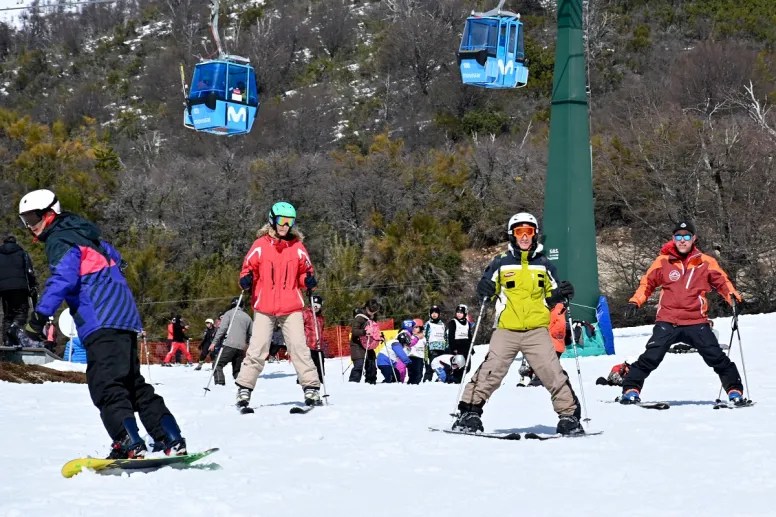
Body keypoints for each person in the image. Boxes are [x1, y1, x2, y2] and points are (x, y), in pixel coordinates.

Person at [18, 188, 186, 458]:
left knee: (105, 383)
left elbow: (62, 279)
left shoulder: (60, 238)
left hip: (100, 318)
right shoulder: (88, 235)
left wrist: (38, 318)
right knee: (131, 382)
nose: (30, 226)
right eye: (24, 220)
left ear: (50, 214)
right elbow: (118, 260)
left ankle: (127, 441)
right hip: (125, 317)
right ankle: (170, 435)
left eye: (33, 218)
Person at [454, 212, 583, 435]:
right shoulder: (501, 262)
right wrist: (483, 288)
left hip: (536, 330)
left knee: (551, 371)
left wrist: (563, 293)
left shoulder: (544, 264)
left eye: (529, 232)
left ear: (535, 235)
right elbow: (487, 289)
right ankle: (469, 412)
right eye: (519, 231)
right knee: (492, 370)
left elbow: (552, 295)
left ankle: (569, 416)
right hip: (506, 329)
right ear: (512, 235)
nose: (524, 236)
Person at [620, 220, 746, 405]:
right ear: (673, 239)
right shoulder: (663, 261)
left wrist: (734, 299)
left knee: (716, 357)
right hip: (668, 321)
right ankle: (631, 389)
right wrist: (635, 302)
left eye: (686, 236)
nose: (682, 240)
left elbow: (723, 283)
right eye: (678, 236)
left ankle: (734, 391)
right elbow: (647, 284)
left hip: (696, 321)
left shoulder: (705, 262)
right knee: (651, 357)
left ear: (693, 238)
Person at [235, 201, 322, 408]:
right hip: (264, 305)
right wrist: (245, 279)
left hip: (291, 305)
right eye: (282, 221)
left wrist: (308, 280)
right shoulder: (260, 245)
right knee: (258, 348)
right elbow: (247, 268)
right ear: (272, 220)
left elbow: (305, 272)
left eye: (289, 222)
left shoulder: (297, 247)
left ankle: (311, 387)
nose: (285, 226)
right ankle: (244, 388)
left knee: (298, 347)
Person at [0, 235, 37, 346]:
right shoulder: (22, 253)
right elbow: (29, 271)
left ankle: (7, 341)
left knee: (8, 315)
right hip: (20, 287)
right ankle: (14, 328)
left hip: (4, 289)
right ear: (15, 243)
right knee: (21, 312)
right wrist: (32, 285)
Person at [212, 297, 252, 386]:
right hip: (241, 347)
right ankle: (242, 385)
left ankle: (219, 384)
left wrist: (214, 342)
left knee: (217, 364)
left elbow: (222, 329)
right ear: (242, 305)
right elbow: (251, 334)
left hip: (229, 344)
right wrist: (248, 345)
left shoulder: (229, 313)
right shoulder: (247, 317)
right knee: (237, 370)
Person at [349, 299, 381, 384]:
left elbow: (374, 330)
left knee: (371, 365)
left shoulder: (373, 317)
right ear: (366, 307)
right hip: (357, 345)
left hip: (369, 344)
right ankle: (353, 384)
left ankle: (371, 383)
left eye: (374, 311)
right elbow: (354, 331)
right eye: (371, 310)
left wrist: (379, 336)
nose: (372, 312)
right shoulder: (359, 317)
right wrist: (364, 332)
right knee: (359, 365)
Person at [447, 304, 473, 384]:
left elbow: (469, 336)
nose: (459, 314)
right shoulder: (453, 322)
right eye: (457, 312)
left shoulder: (467, 323)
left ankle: (459, 379)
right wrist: (453, 348)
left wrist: (471, 348)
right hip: (457, 346)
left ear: (465, 314)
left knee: (467, 366)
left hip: (466, 346)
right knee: (458, 365)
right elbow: (451, 336)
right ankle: (455, 380)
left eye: (461, 313)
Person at [303, 294, 326, 382]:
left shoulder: (320, 317)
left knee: (320, 370)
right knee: (310, 369)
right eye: (314, 305)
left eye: (318, 305)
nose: (316, 307)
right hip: (309, 346)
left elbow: (322, 330)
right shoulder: (305, 314)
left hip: (319, 347)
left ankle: (320, 381)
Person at [423, 305, 447, 382]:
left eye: (436, 312)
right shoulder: (428, 324)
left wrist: (446, 346)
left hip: (442, 349)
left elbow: (445, 336)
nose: (434, 314)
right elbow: (425, 336)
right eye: (432, 313)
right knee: (430, 366)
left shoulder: (442, 324)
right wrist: (426, 349)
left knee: (441, 366)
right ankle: (426, 381)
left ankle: (440, 380)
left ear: (439, 314)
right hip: (432, 348)